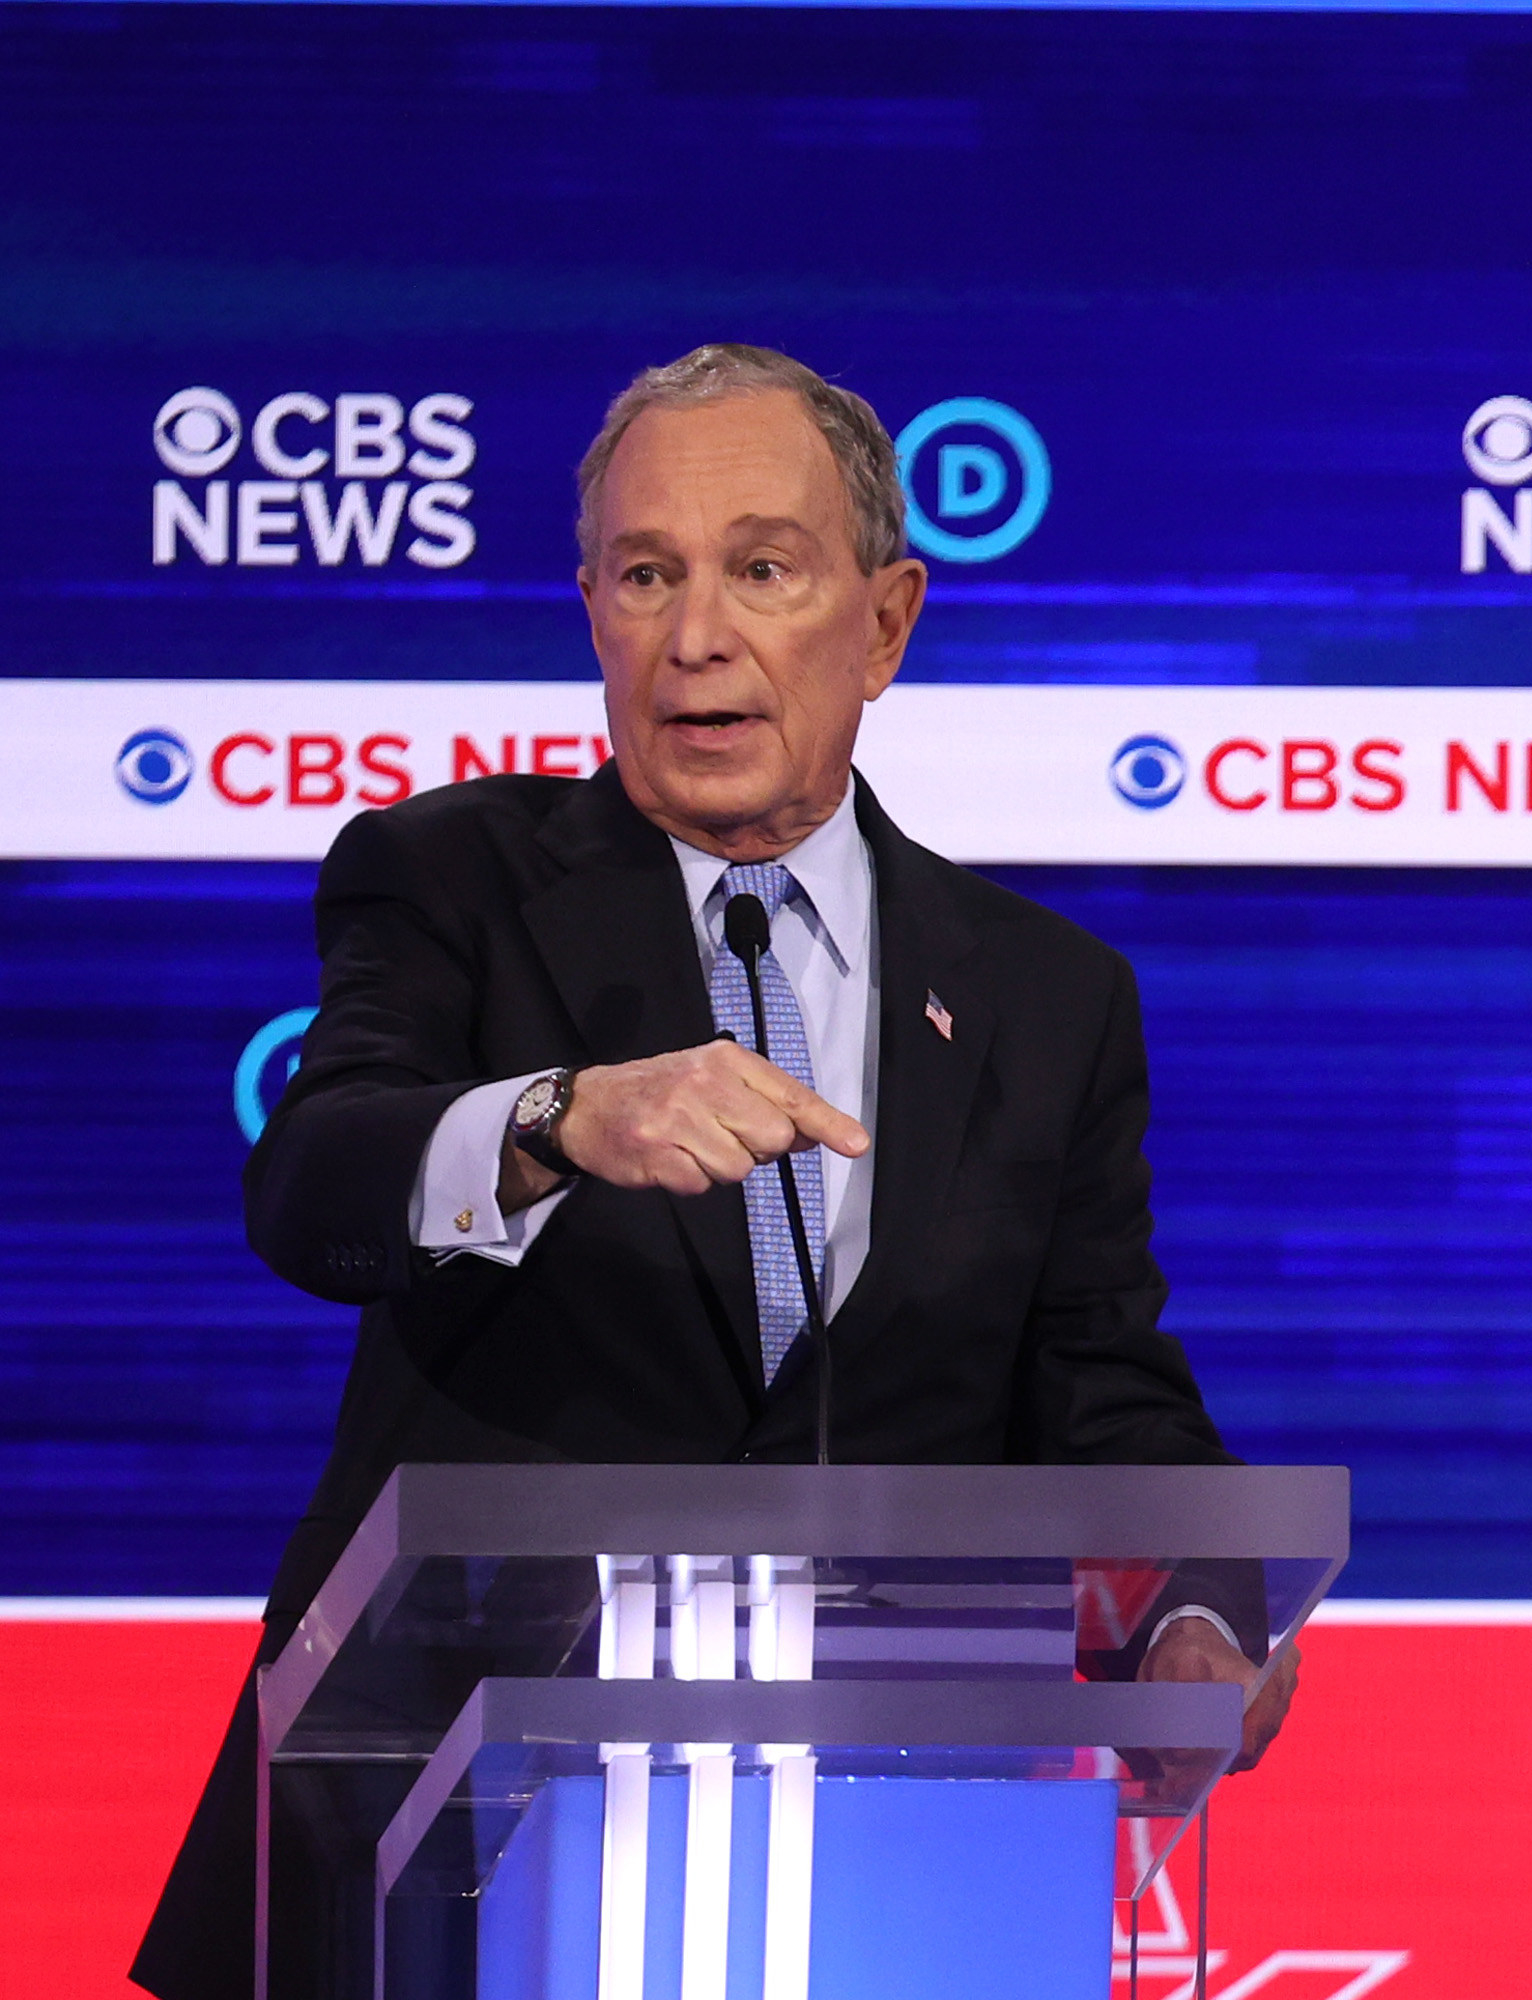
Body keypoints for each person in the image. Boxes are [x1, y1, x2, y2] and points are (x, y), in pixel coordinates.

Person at [133, 344, 1294, 2000]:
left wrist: (1202, 1605)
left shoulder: (1047, 994)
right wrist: (554, 1123)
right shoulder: (448, 880)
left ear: (886, 623)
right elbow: (314, 1183)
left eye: (763, 569)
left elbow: (1101, 1383)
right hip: (438, 1851)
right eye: (645, 574)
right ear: (593, 612)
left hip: (889, 1862)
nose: (697, 637)